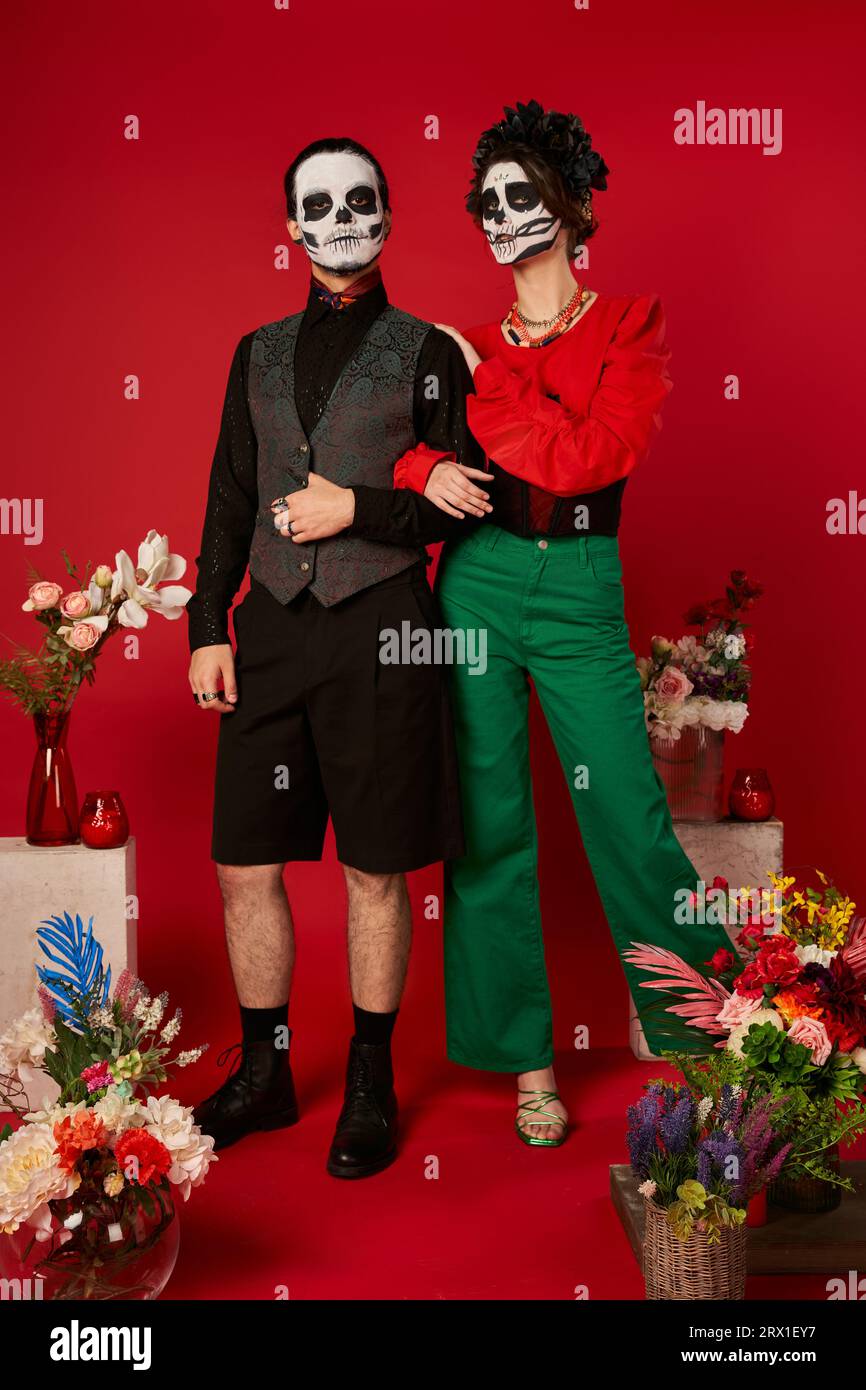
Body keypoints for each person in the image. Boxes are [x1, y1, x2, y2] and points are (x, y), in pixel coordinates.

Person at [380, 101, 736, 1145]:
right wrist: (427, 464)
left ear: (569, 209)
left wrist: (479, 382)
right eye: (486, 202)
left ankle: (709, 1044)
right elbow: (409, 455)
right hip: (476, 582)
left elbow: (584, 459)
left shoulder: (629, 325)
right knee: (487, 824)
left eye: (520, 196)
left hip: (578, 583)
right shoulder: (459, 343)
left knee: (627, 816)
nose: (500, 216)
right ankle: (526, 1067)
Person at [186, 136, 489, 1179]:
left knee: (372, 869)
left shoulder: (429, 351)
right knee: (243, 864)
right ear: (293, 229)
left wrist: (353, 508)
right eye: (320, 204)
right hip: (268, 627)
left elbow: (469, 500)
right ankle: (265, 1073)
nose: (343, 216)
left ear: (387, 215)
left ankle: (370, 1078)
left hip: (381, 628)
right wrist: (204, 624)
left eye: (362, 198)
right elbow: (231, 494)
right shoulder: (254, 349)